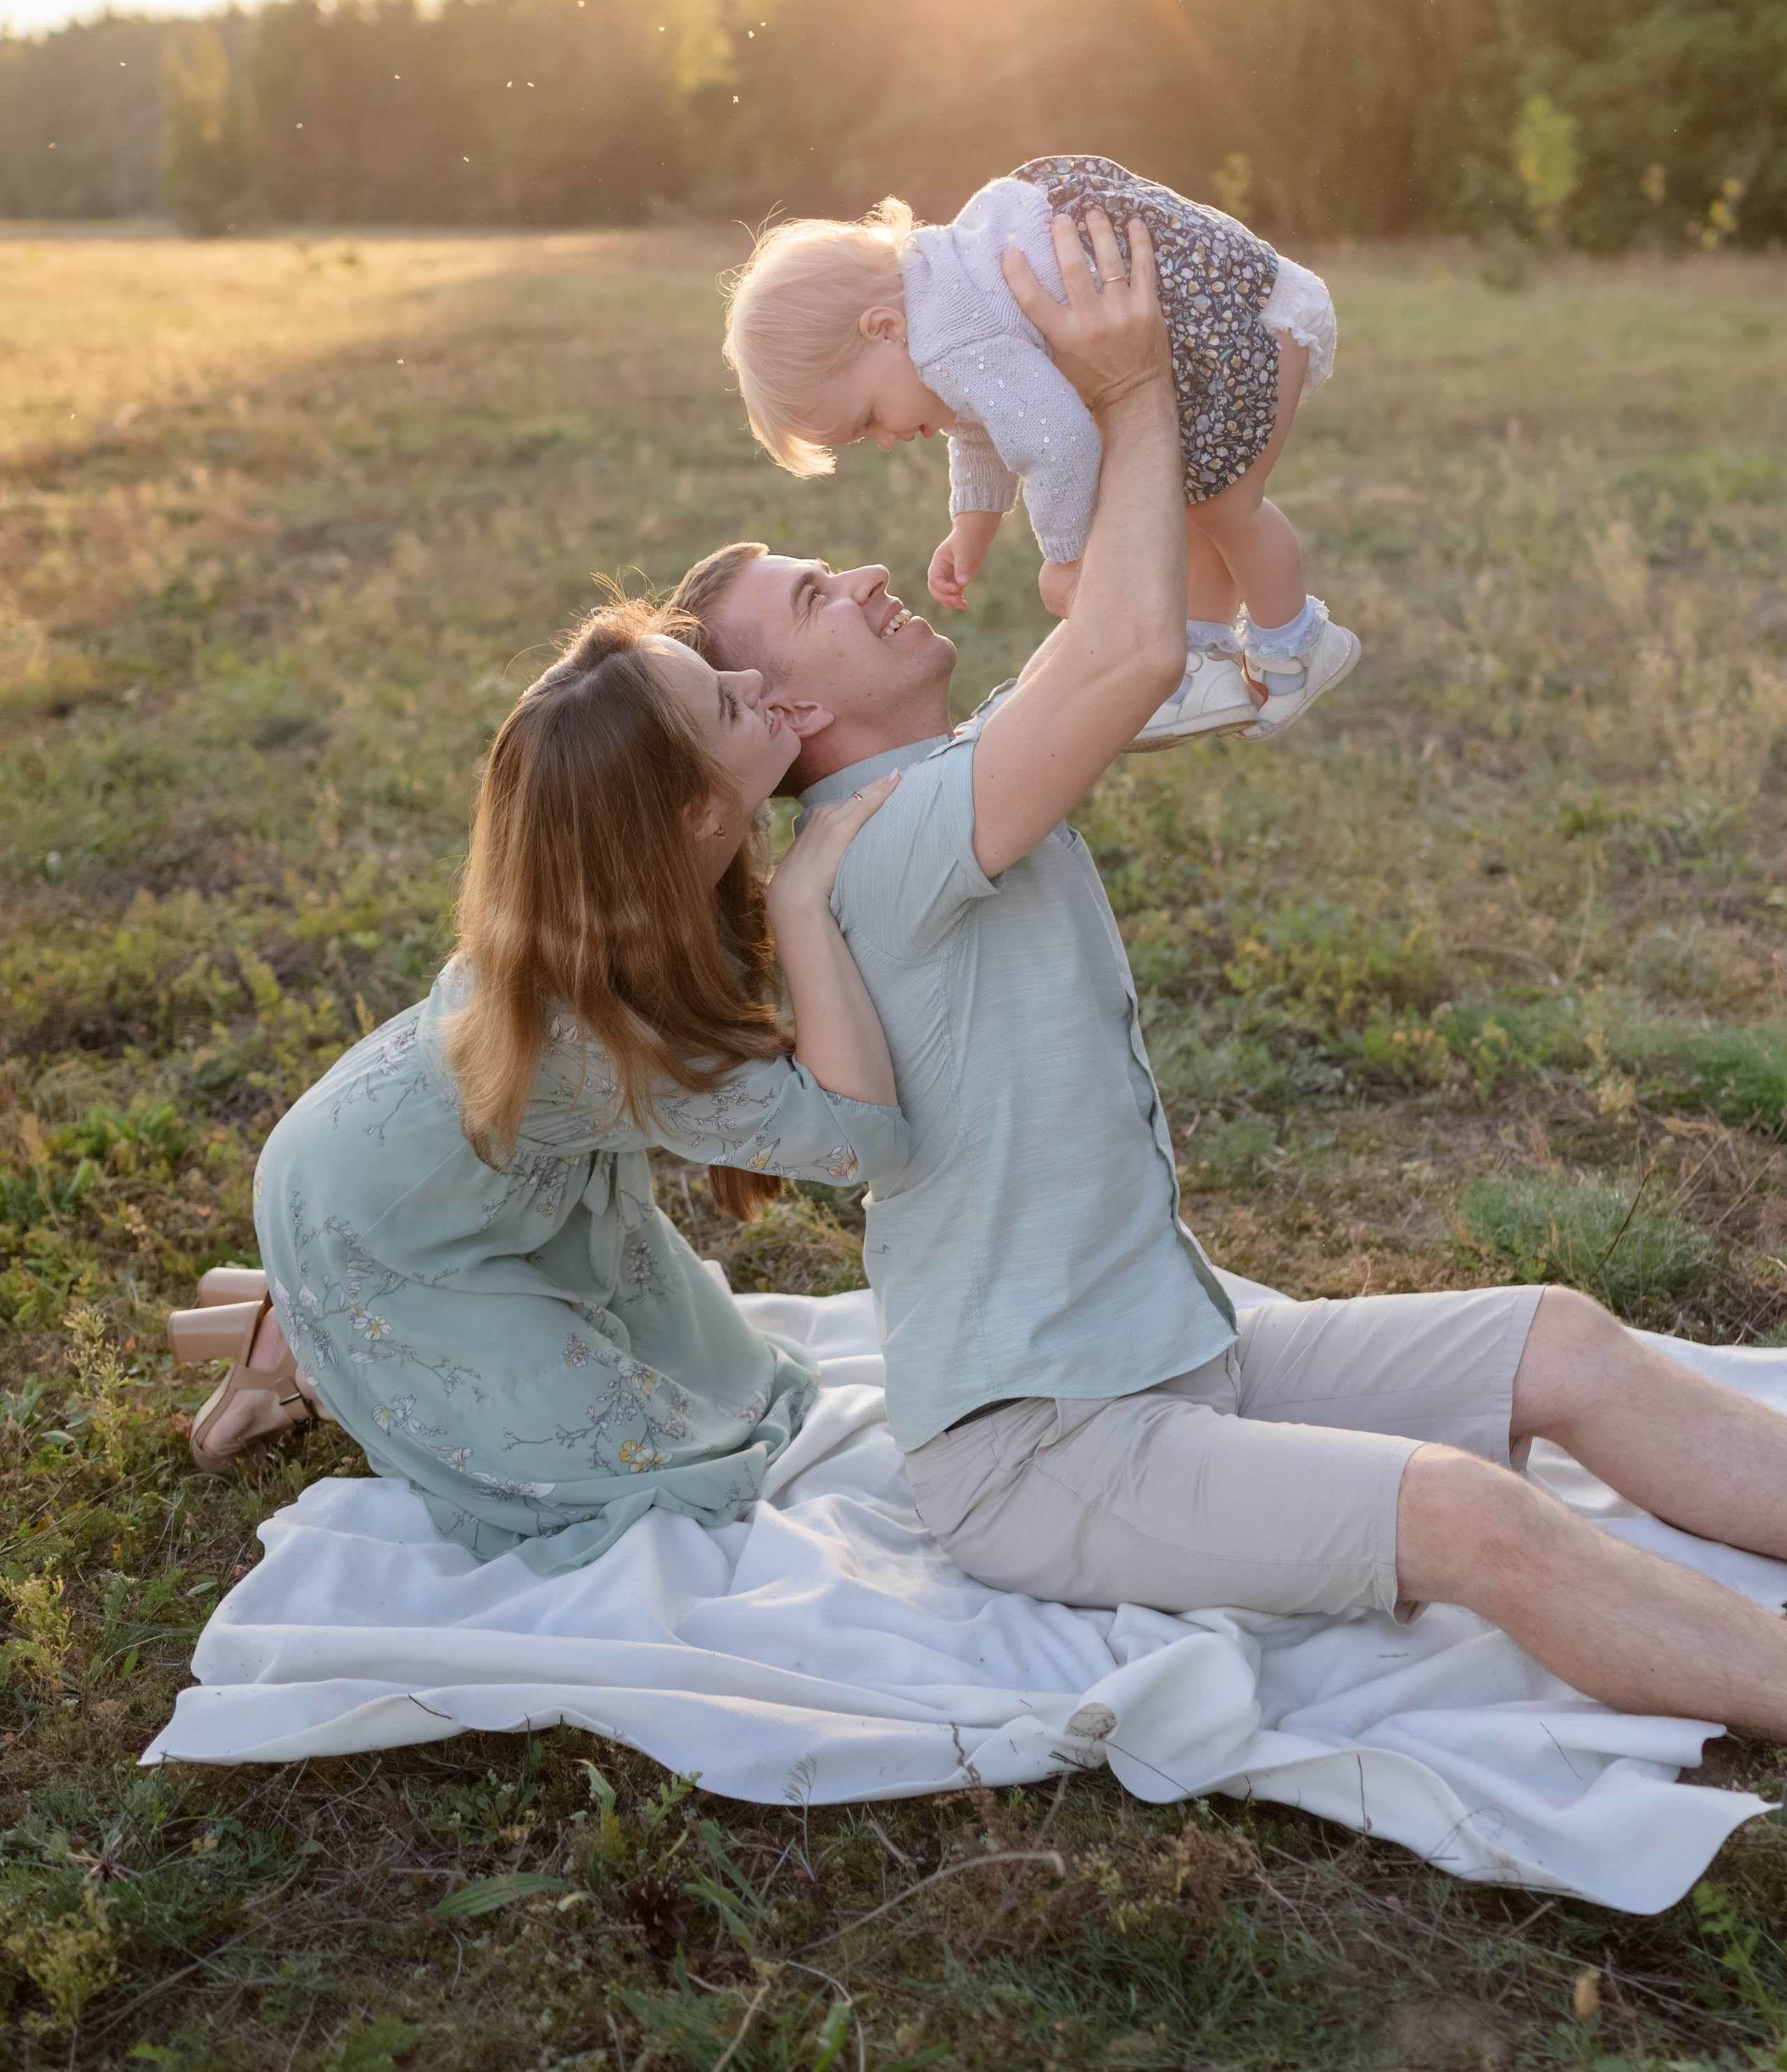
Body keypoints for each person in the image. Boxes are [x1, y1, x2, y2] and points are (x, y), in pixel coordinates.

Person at [680, 201, 1787, 1742]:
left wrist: (1199, 477)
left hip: (1174, 1357)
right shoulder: (883, 840)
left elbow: (1141, 658)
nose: (865, 572)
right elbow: (1126, 652)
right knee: (1473, 1519)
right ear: (785, 715)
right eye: (813, 601)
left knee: (1567, 1339)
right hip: (1043, 1449)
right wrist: (1131, 394)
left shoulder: (961, 772)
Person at [169, 599, 908, 1573]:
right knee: (668, 1474)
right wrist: (802, 895)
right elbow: (862, 1142)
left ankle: (299, 1336)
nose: (754, 685)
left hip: (434, 1174)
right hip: (372, 1227)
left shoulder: (611, 905)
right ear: (693, 813)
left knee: (731, 1377)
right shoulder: (600, 1035)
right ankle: (323, 1340)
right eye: (729, 705)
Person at [720, 152, 1356, 747]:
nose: (885, 440)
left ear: (884, 330)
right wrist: (973, 526)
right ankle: (1204, 657)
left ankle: (1296, 643)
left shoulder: (945, 339)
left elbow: (1057, 442)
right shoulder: (946, 288)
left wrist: (1066, 557)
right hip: (1230, 308)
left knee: (1226, 505)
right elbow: (982, 420)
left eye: (868, 420)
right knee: (1190, 500)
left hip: (1238, 326)